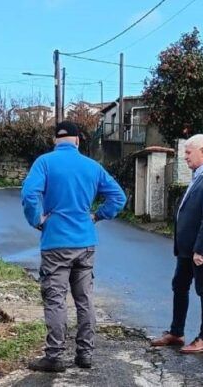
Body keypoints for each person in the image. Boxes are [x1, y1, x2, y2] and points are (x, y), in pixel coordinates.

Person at [21, 121, 126, 372]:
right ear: (78, 141)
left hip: (56, 243)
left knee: (56, 300)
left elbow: (28, 194)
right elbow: (118, 197)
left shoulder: (44, 163)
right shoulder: (92, 166)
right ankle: (85, 354)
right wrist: (97, 215)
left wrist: (37, 220)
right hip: (86, 242)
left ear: (55, 140)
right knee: (85, 299)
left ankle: (55, 356)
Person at [150, 134, 203, 354]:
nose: (185, 157)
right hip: (188, 248)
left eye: (188, 152)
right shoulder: (200, 174)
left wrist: (200, 249)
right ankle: (176, 332)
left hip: (199, 248)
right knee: (179, 285)